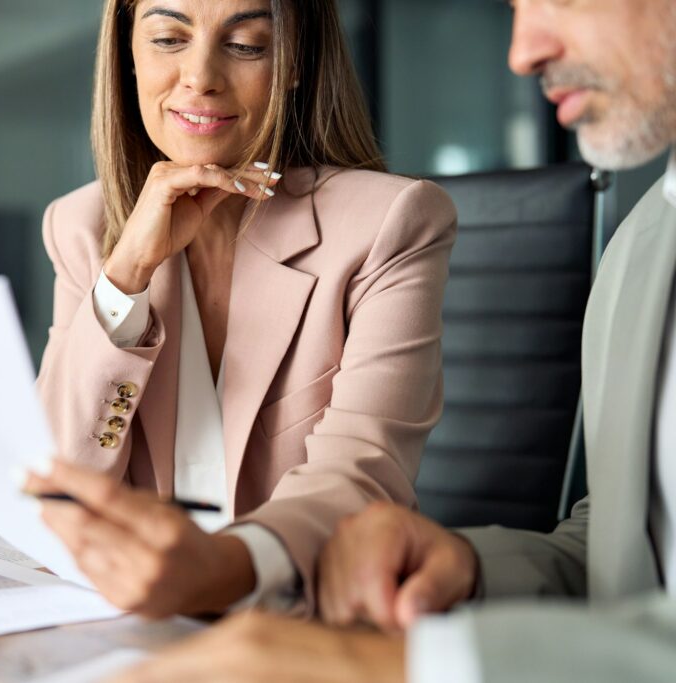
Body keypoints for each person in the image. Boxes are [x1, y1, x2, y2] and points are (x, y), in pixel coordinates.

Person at [111, 0, 676, 680]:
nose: (521, 53)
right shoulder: (647, 243)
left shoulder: (392, 222)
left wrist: (393, 660)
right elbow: (627, 560)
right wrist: (467, 567)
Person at [30, 0, 457, 618]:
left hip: (302, 624)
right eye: (169, 39)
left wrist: (223, 572)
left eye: (248, 44)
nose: (200, 75)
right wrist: (125, 277)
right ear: (128, 56)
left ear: (293, 65)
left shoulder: (392, 223)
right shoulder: (81, 226)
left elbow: (360, 479)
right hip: (127, 626)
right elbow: (55, 491)